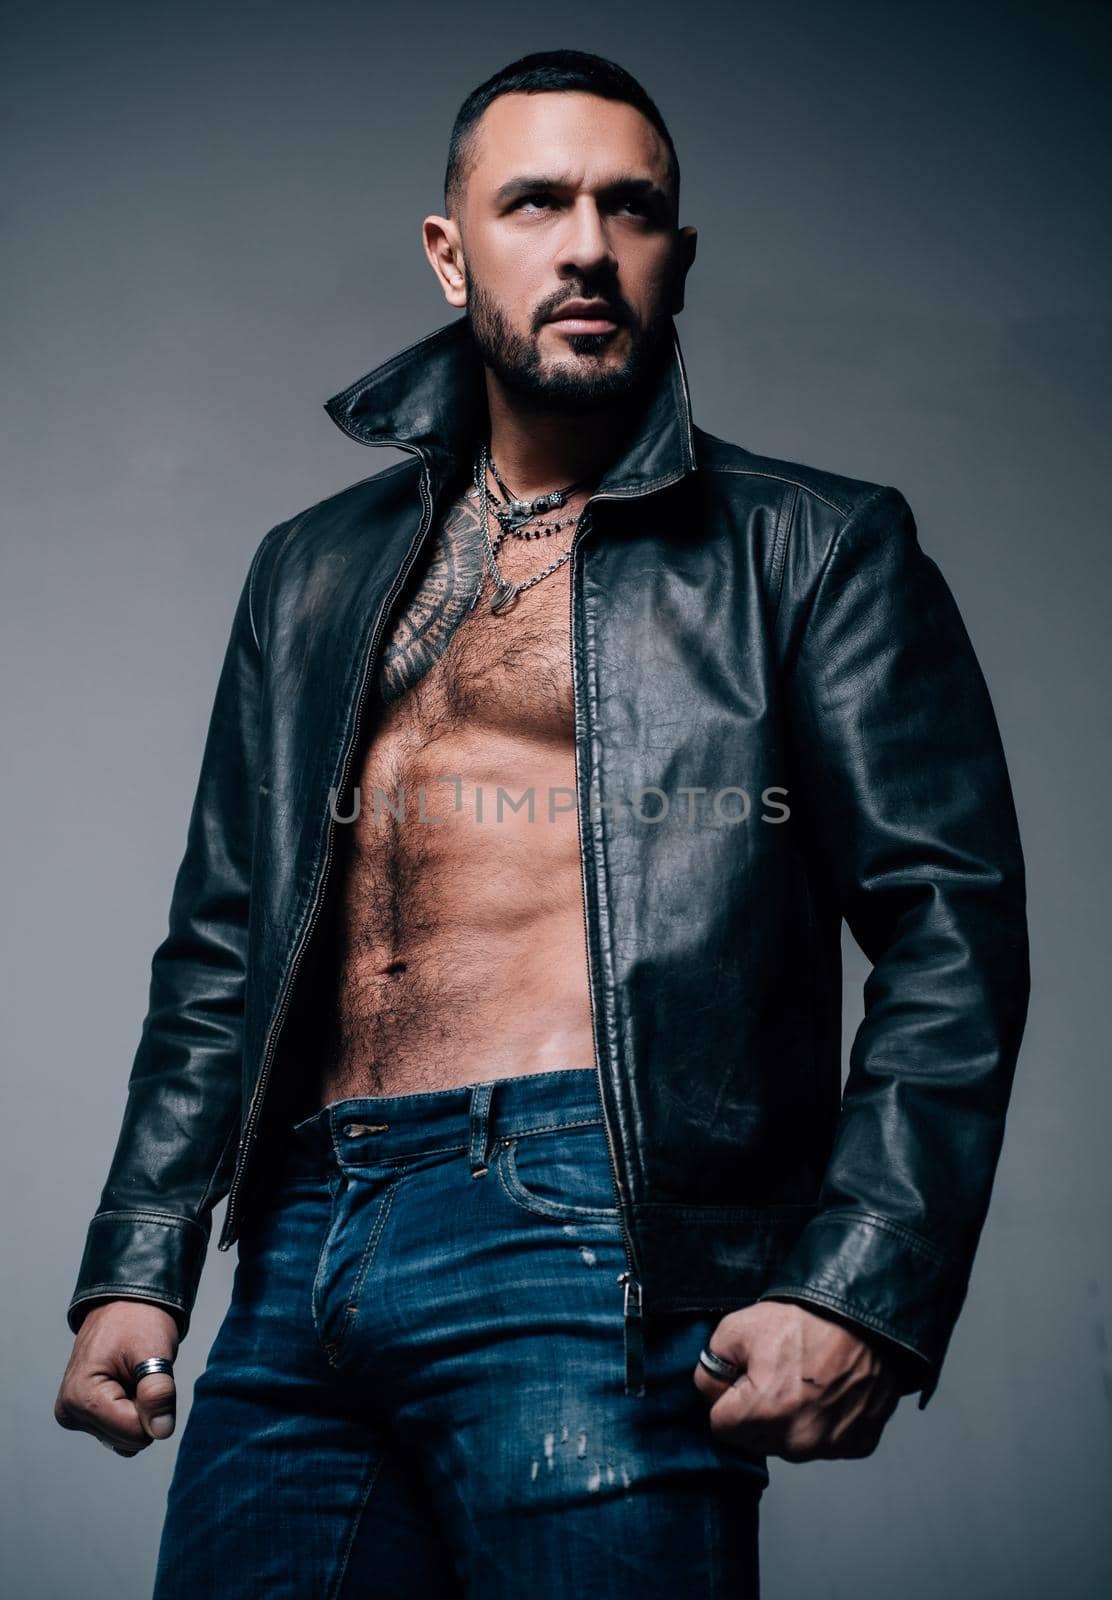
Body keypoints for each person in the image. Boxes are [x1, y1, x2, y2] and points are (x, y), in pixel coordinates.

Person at [53, 47, 1030, 1598]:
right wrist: (137, 1262)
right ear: (452, 252)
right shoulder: (308, 572)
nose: (587, 242)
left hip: (591, 1228)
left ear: (676, 258)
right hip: (301, 1238)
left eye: (629, 207)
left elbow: (948, 924)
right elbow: (224, 936)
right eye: (537, 201)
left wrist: (864, 1283)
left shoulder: (812, 549)